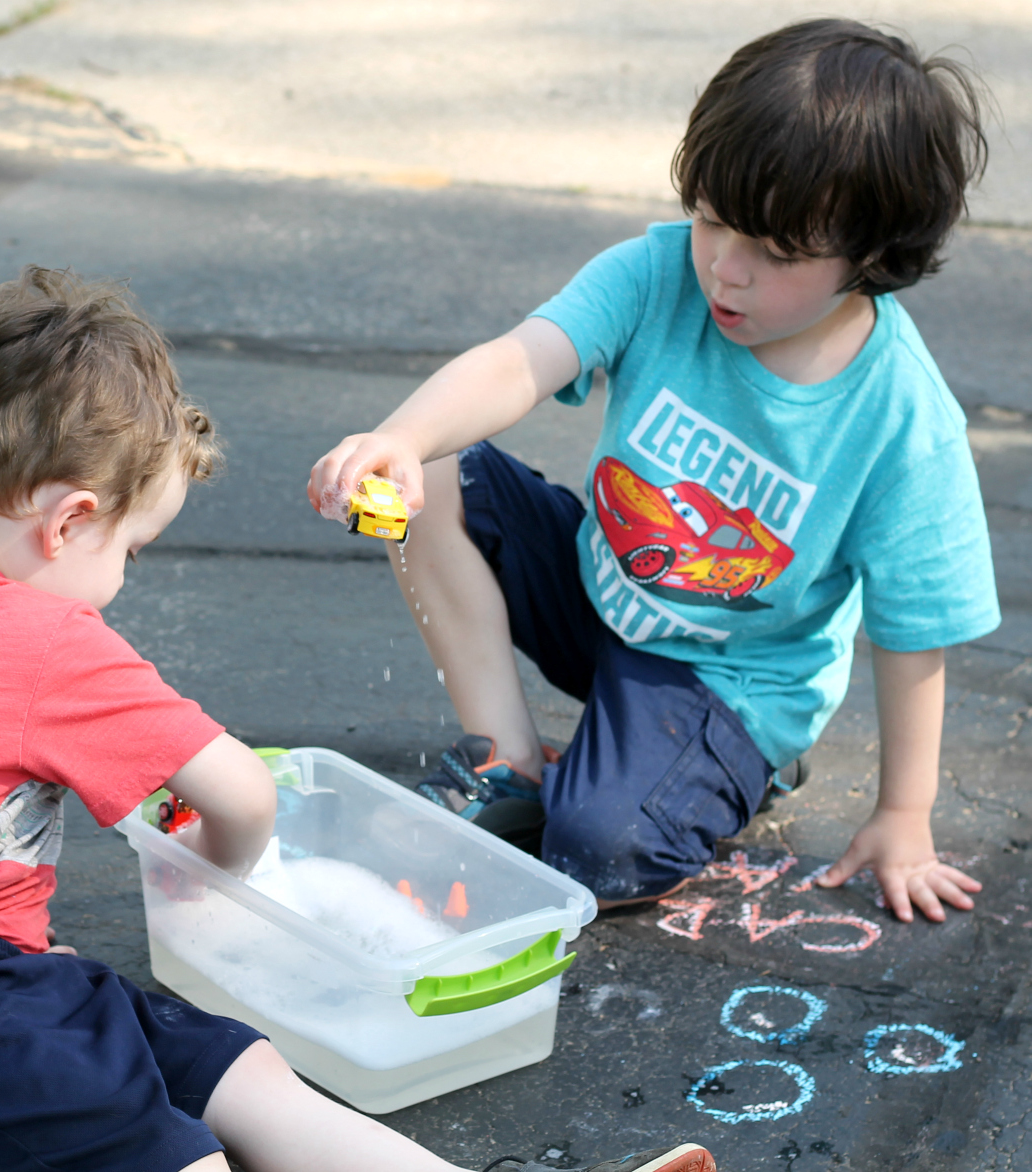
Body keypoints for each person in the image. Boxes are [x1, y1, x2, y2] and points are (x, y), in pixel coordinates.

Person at [0, 267, 714, 1172]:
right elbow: (245, 795)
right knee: (186, 1154)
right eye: (132, 547)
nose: (122, 577)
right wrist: (218, 878)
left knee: (237, 1074)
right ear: (68, 522)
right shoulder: (49, 641)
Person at [309, 19, 1000, 925]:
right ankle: (506, 758)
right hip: (607, 593)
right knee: (436, 469)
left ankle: (716, 766)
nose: (726, 268)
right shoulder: (658, 271)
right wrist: (401, 438)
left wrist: (903, 814)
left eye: (778, 254)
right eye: (712, 219)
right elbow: (521, 360)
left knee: (597, 849)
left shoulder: (902, 419)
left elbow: (918, 629)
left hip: (726, 682)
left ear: (872, 260)